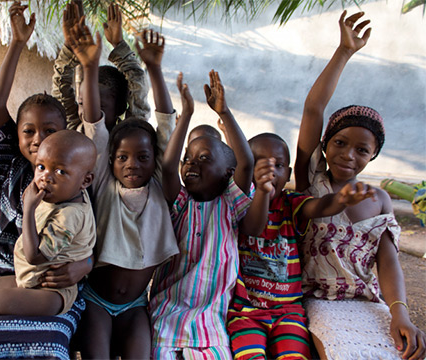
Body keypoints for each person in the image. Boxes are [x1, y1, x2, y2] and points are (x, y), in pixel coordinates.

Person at [0, 3, 93, 359]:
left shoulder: (72, 183)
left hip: (43, 279)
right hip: (7, 272)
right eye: (28, 131)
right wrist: (17, 42)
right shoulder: (11, 166)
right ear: (16, 136)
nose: (38, 139)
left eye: (50, 131)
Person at [294, 11, 426, 360]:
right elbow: (313, 109)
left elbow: (389, 261)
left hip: (367, 302)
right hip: (317, 302)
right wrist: (344, 52)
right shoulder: (313, 182)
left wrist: (399, 312)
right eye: (339, 142)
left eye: (362, 149)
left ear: (373, 156)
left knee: (405, 351)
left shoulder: (379, 200)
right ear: (324, 143)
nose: (347, 155)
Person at [74, 27, 179, 359]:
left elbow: (165, 125)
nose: (132, 164)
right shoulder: (104, 181)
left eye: (143, 157)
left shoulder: (160, 185)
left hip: (136, 304)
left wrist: (155, 70)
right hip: (96, 301)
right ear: (109, 160)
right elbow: (94, 123)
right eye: (122, 157)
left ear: (155, 161)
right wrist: (90, 67)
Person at [227, 133, 376, 360]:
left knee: (294, 356)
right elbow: (252, 227)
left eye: (278, 165)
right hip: (246, 313)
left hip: (289, 313)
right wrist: (263, 193)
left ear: (287, 174)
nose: (271, 172)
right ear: (246, 169)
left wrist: (340, 200)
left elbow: (319, 207)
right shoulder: (239, 206)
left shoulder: (292, 204)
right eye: (260, 164)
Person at [0, 130, 97, 358]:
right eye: (41, 167)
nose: (46, 177)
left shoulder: (69, 216)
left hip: (51, 294)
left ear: (86, 180)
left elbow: (35, 256)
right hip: (32, 280)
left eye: (61, 171)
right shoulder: (63, 196)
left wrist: (29, 208)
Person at [150, 68, 255, 359]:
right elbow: (169, 167)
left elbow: (247, 162)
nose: (191, 163)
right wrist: (187, 113)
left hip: (212, 319)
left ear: (228, 173)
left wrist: (225, 112)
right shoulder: (180, 202)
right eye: (188, 158)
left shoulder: (231, 204)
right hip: (167, 311)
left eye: (204, 158)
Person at [52, 1, 150, 132]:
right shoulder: (74, 129)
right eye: (82, 103)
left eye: (100, 105)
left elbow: (139, 87)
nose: (88, 110)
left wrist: (119, 45)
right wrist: (70, 46)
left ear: (119, 108)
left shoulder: (126, 138)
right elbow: (60, 86)